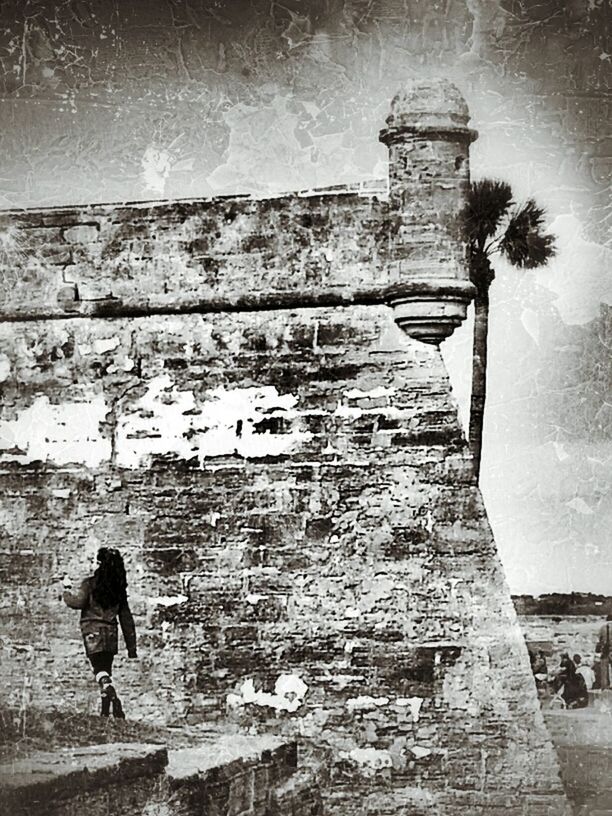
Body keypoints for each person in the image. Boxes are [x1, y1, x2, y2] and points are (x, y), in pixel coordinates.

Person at [63, 548, 137, 718]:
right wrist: (131, 649)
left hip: (92, 634)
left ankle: (111, 694)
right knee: (106, 670)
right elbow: (127, 620)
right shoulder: (118, 591)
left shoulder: (89, 584)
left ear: (99, 564)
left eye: (94, 561)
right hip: (111, 635)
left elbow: (77, 602)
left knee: (99, 672)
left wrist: (66, 590)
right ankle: (105, 713)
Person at [595, 614, 612, 690]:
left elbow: (599, 639)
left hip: (605, 650)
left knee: (604, 669)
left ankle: (604, 686)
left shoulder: (602, 628)